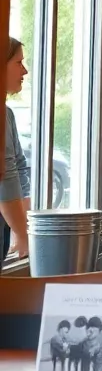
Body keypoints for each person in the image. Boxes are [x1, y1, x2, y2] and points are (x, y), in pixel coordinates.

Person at [2, 38, 30, 259]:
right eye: (19, 62)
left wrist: (24, 224)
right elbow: (5, 177)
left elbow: (19, 167)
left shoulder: (7, 113)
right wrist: (21, 234)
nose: (25, 70)